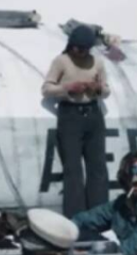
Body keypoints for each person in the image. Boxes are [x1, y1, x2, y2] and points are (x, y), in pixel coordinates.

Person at [42, 24, 111, 218]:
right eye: (78, 48)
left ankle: (99, 216)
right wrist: (67, 88)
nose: (81, 52)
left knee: (97, 167)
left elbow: (106, 90)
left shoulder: (97, 62)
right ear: (71, 45)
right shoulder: (61, 61)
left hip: (93, 115)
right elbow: (46, 89)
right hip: (70, 115)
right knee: (73, 169)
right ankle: (76, 218)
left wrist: (97, 89)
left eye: (85, 49)